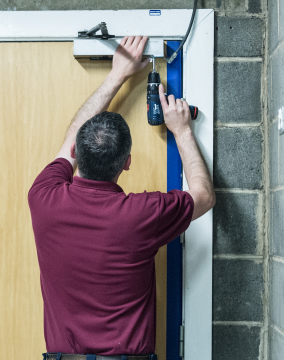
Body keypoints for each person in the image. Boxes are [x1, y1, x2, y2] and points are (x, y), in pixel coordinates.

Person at [28, 36, 215, 359]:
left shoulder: (43, 197)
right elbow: (203, 195)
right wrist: (182, 130)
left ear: (75, 153)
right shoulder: (142, 214)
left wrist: (116, 76)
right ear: (127, 163)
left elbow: (70, 140)